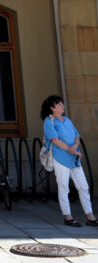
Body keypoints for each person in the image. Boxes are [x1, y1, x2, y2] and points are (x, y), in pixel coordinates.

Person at [41, 95, 98, 227]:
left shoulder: (67, 120)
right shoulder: (49, 122)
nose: (62, 106)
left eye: (62, 103)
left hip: (74, 158)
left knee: (83, 186)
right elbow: (55, 140)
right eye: (58, 104)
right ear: (52, 108)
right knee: (63, 187)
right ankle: (68, 217)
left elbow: (76, 135)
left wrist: (74, 147)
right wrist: (71, 149)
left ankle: (90, 216)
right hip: (60, 158)